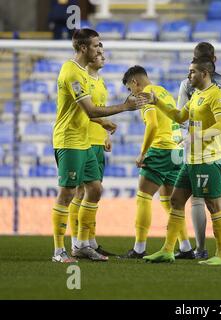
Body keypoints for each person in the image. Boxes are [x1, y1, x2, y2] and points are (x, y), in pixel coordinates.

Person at [51, 28, 149, 263]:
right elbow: (90, 109)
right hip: (70, 140)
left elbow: (89, 114)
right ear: (83, 48)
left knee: (95, 190)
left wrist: (104, 124)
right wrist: (125, 107)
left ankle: (83, 243)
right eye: (96, 45)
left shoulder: (85, 74)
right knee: (68, 193)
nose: (99, 49)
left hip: (84, 141)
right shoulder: (72, 72)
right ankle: (59, 251)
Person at [144, 57, 221, 266]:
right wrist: (158, 102)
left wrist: (197, 136)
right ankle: (167, 250)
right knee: (176, 200)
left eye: (192, 71)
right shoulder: (197, 95)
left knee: (213, 204)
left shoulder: (216, 95)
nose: (189, 75)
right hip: (192, 159)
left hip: (207, 159)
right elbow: (179, 116)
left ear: (204, 73)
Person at [177, 42, 221, 260]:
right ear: (214, 59)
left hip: (198, 149)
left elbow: (180, 120)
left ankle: (201, 247)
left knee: (198, 198)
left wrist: (185, 140)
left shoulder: (188, 84)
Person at [119, 65, 187, 259]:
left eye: (130, 89)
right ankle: (185, 246)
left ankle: (139, 248)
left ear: (134, 82)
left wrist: (143, 153)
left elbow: (153, 125)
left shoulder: (145, 94)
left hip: (161, 150)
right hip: (176, 151)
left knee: (143, 197)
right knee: (170, 202)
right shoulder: (163, 91)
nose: (131, 93)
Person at [68, 42, 116, 258]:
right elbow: (87, 112)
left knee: (94, 193)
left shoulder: (101, 82)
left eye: (103, 52)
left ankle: (90, 240)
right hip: (84, 142)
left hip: (98, 142)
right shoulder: (83, 80)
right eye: (99, 52)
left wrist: (105, 135)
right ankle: (77, 241)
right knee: (81, 192)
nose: (102, 55)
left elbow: (100, 113)